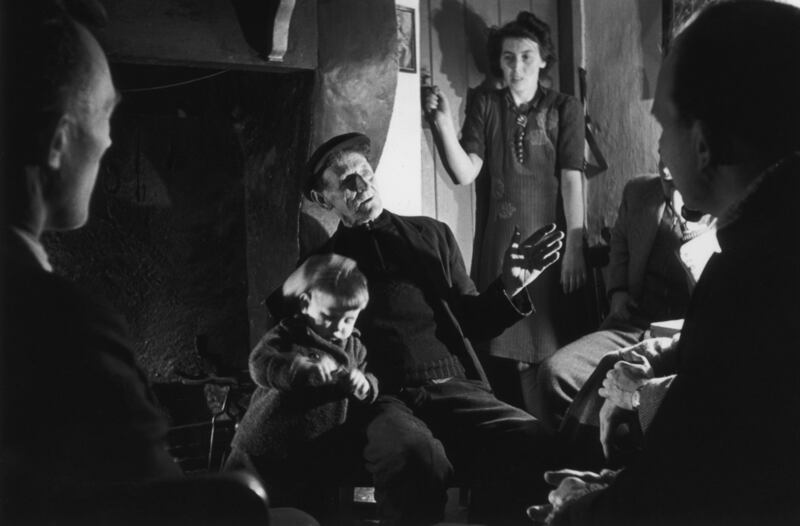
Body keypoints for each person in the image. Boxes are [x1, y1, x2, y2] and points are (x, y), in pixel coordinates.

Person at [0, 3, 316, 525]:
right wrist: (241, 491)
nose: (107, 140)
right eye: (103, 116)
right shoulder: (62, 323)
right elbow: (157, 509)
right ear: (57, 142)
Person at [542, 2, 800, 524]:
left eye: (663, 126)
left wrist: (583, 512)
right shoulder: (768, 240)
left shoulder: (751, 274)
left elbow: (706, 487)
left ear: (703, 144)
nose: (658, 146)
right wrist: (624, 485)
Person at [282, 131, 564, 525]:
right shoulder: (319, 267)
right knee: (415, 458)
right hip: (383, 400)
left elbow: (474, 321)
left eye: (365, 173)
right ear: (322, 199)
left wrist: (511, 286)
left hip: (454, 387)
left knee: (532, 439)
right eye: (346, 181)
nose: (362, 185)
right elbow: (302, 349)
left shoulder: (432, 235)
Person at [423, 11, 586, 410]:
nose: (517, 66)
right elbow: (465, 172)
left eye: (527, 56)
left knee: (544, 352)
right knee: (498, 345)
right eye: (509, 57)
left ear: (543, 59)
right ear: (498, 61)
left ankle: (548, 441)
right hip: (500, 242)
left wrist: (576, 248)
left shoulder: (565, 108)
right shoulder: (486, 103)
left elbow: (571, 179)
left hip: (548, 246)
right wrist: (443, 123)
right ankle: (513, 444)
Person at [533, 163, 715, 432]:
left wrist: (688, 224)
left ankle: (599, 462)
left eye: (673, 164)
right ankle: (578, 458)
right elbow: (619, 247)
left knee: (622, 385)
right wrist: (617, 291)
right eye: (660, 161)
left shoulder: (720, 206)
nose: (665, 172)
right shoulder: (640, 191)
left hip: (680, 339)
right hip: (633, 323)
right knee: (555, 372)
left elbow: (711, 294)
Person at [227, 254, 378, 506]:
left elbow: (368, 377)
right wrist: (297, 368)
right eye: (329, 316)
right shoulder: (290, 333)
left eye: (349, 319)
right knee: (241, 504)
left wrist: (364, 385)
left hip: (316, 451)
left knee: (305, 510)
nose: (339, 327)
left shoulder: (354, 347)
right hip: (265, 442)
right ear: (306, 304)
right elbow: (259, 363)